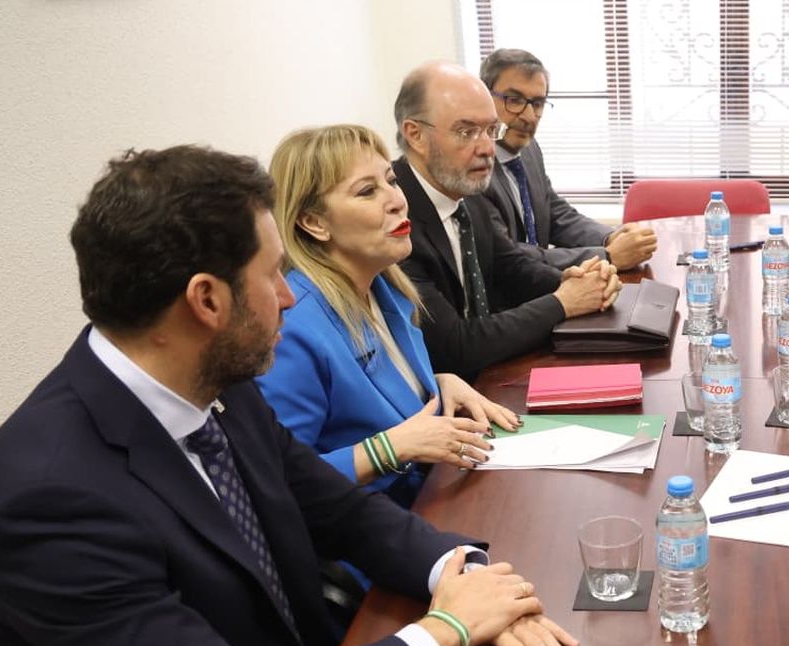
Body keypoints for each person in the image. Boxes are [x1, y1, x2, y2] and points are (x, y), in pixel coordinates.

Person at [0, 145, 579, 646]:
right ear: (207, 301)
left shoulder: (213, 386)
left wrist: (462, 574)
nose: (290, 298)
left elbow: (340, 511)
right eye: (274, 274)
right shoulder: (50, 500)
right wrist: (446, 632)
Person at [258, 124, 517, 510]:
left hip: (433, 501)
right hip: (369, 544)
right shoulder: (293, 326)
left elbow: (399, 407)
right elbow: (279, 483)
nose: (397, 200)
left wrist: (436, 383)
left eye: (390, 181)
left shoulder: (387, 287)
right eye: (367, 191)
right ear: (314, 222)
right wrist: (388, 449)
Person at [393, 60, 621, 381]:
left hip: (490, 376)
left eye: (490, 130)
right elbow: (453, 347)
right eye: (467, 131)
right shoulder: (392, 217)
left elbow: (510, 266)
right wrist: (562, 302)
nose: (487, 148)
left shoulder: (463, 188)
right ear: (415, 135)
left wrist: (576, 281)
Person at [480, 47, 658, 269]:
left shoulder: (529, 149)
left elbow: (555, 215)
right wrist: (607, 256)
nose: (528, 116)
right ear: (483, 97)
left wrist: (610, 237)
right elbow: (508, 256)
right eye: (514, 100)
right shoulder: (474, 166)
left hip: (549, 286)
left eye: (537, 104)